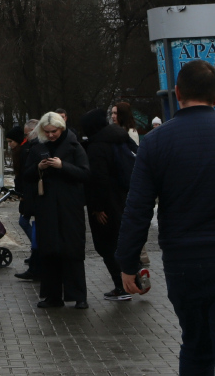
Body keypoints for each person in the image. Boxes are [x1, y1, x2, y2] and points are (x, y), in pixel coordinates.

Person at [116, 59, 215, 375]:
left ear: (176, 92)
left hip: (183, 263)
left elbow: (137, 209)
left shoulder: (154, 143)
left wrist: (127, 263)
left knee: (195, 347)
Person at [25, 111, 90, 308]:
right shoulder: (38, 147)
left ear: (61, 128)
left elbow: (85, 173)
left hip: (70, 207)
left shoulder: (74, 145)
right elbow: (26, 175)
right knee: (49, 250)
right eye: (47, 132)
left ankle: (78, 296)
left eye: (54, 131)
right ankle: (53, 296)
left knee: (72, 250)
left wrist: (63, 166)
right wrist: (39, 167)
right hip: (47, 207)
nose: (51, 135)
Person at [79, 108, 132, 302]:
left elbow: (98, 179)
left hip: (107, 204)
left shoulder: (97, 146)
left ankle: (121, 286)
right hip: (123, 198)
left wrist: (97, 207)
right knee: (121, 242)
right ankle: (132, 280)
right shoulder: (120, 137)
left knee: (106, 246)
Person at [11, 119, 41, 281]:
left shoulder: (32, 149)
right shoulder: (28, 149)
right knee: (30, 224)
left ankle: (36, 262)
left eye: (26, 133)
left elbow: (26, 173)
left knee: (31, 225)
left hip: (33, 196)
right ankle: (35, 260)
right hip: (30, 195)